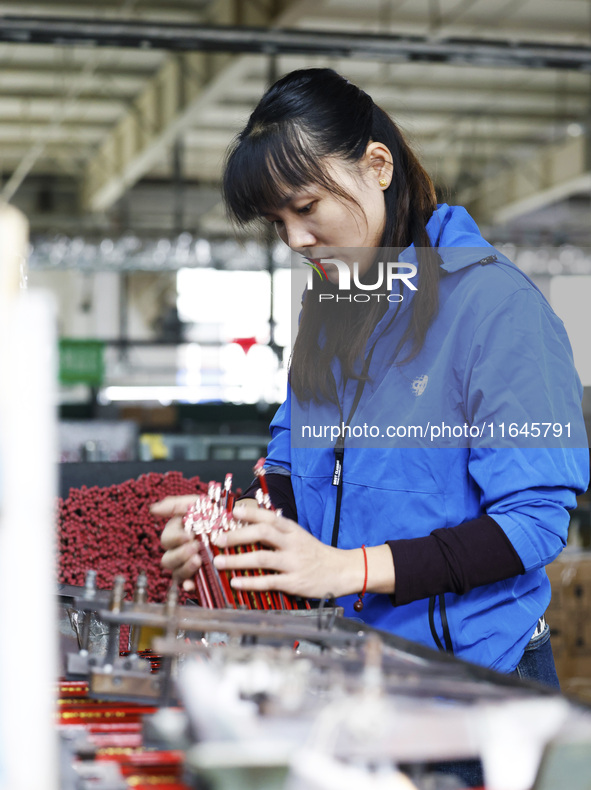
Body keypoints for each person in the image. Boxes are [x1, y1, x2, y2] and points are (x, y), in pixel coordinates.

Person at [153, 68, 589, 687]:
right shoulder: (331, 305)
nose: (297, 240)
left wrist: (346, 570)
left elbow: (533, 523)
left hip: (472, 683)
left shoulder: (496, 307)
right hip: (351, 672)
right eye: (279, 223)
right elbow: (292, 470)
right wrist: (227, 534)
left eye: (307, 207)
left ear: (378, 166)